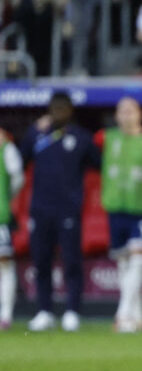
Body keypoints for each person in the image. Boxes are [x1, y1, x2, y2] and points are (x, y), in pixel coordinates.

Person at [22, 92, 100, 332]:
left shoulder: (81, 137)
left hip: (68, 211)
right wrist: (33, 131)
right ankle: (44, 311)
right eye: (54, 109)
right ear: (49, 110)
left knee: (71, 262)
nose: (58, 113)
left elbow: (98, 164)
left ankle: (72, 312)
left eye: (62, 109)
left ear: (70, 111)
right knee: (41, 262)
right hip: (40, 209)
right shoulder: (37, 134)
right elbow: (21, 159)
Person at [94, 97, 142, 332]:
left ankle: (122, 314)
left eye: (130, 111)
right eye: (122, 111)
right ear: (116, 116)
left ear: (140, 114)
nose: (126, 116)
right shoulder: (105, 138)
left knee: (138, 259)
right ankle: (137, 317)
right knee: (124, 263)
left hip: (141, 208)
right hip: (115, 207)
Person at [0, 128, 26, 330]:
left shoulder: (7, 149)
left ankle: (5, 314)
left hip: (0, 216)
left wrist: (6, 199)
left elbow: (18, 179)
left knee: (4, 263)